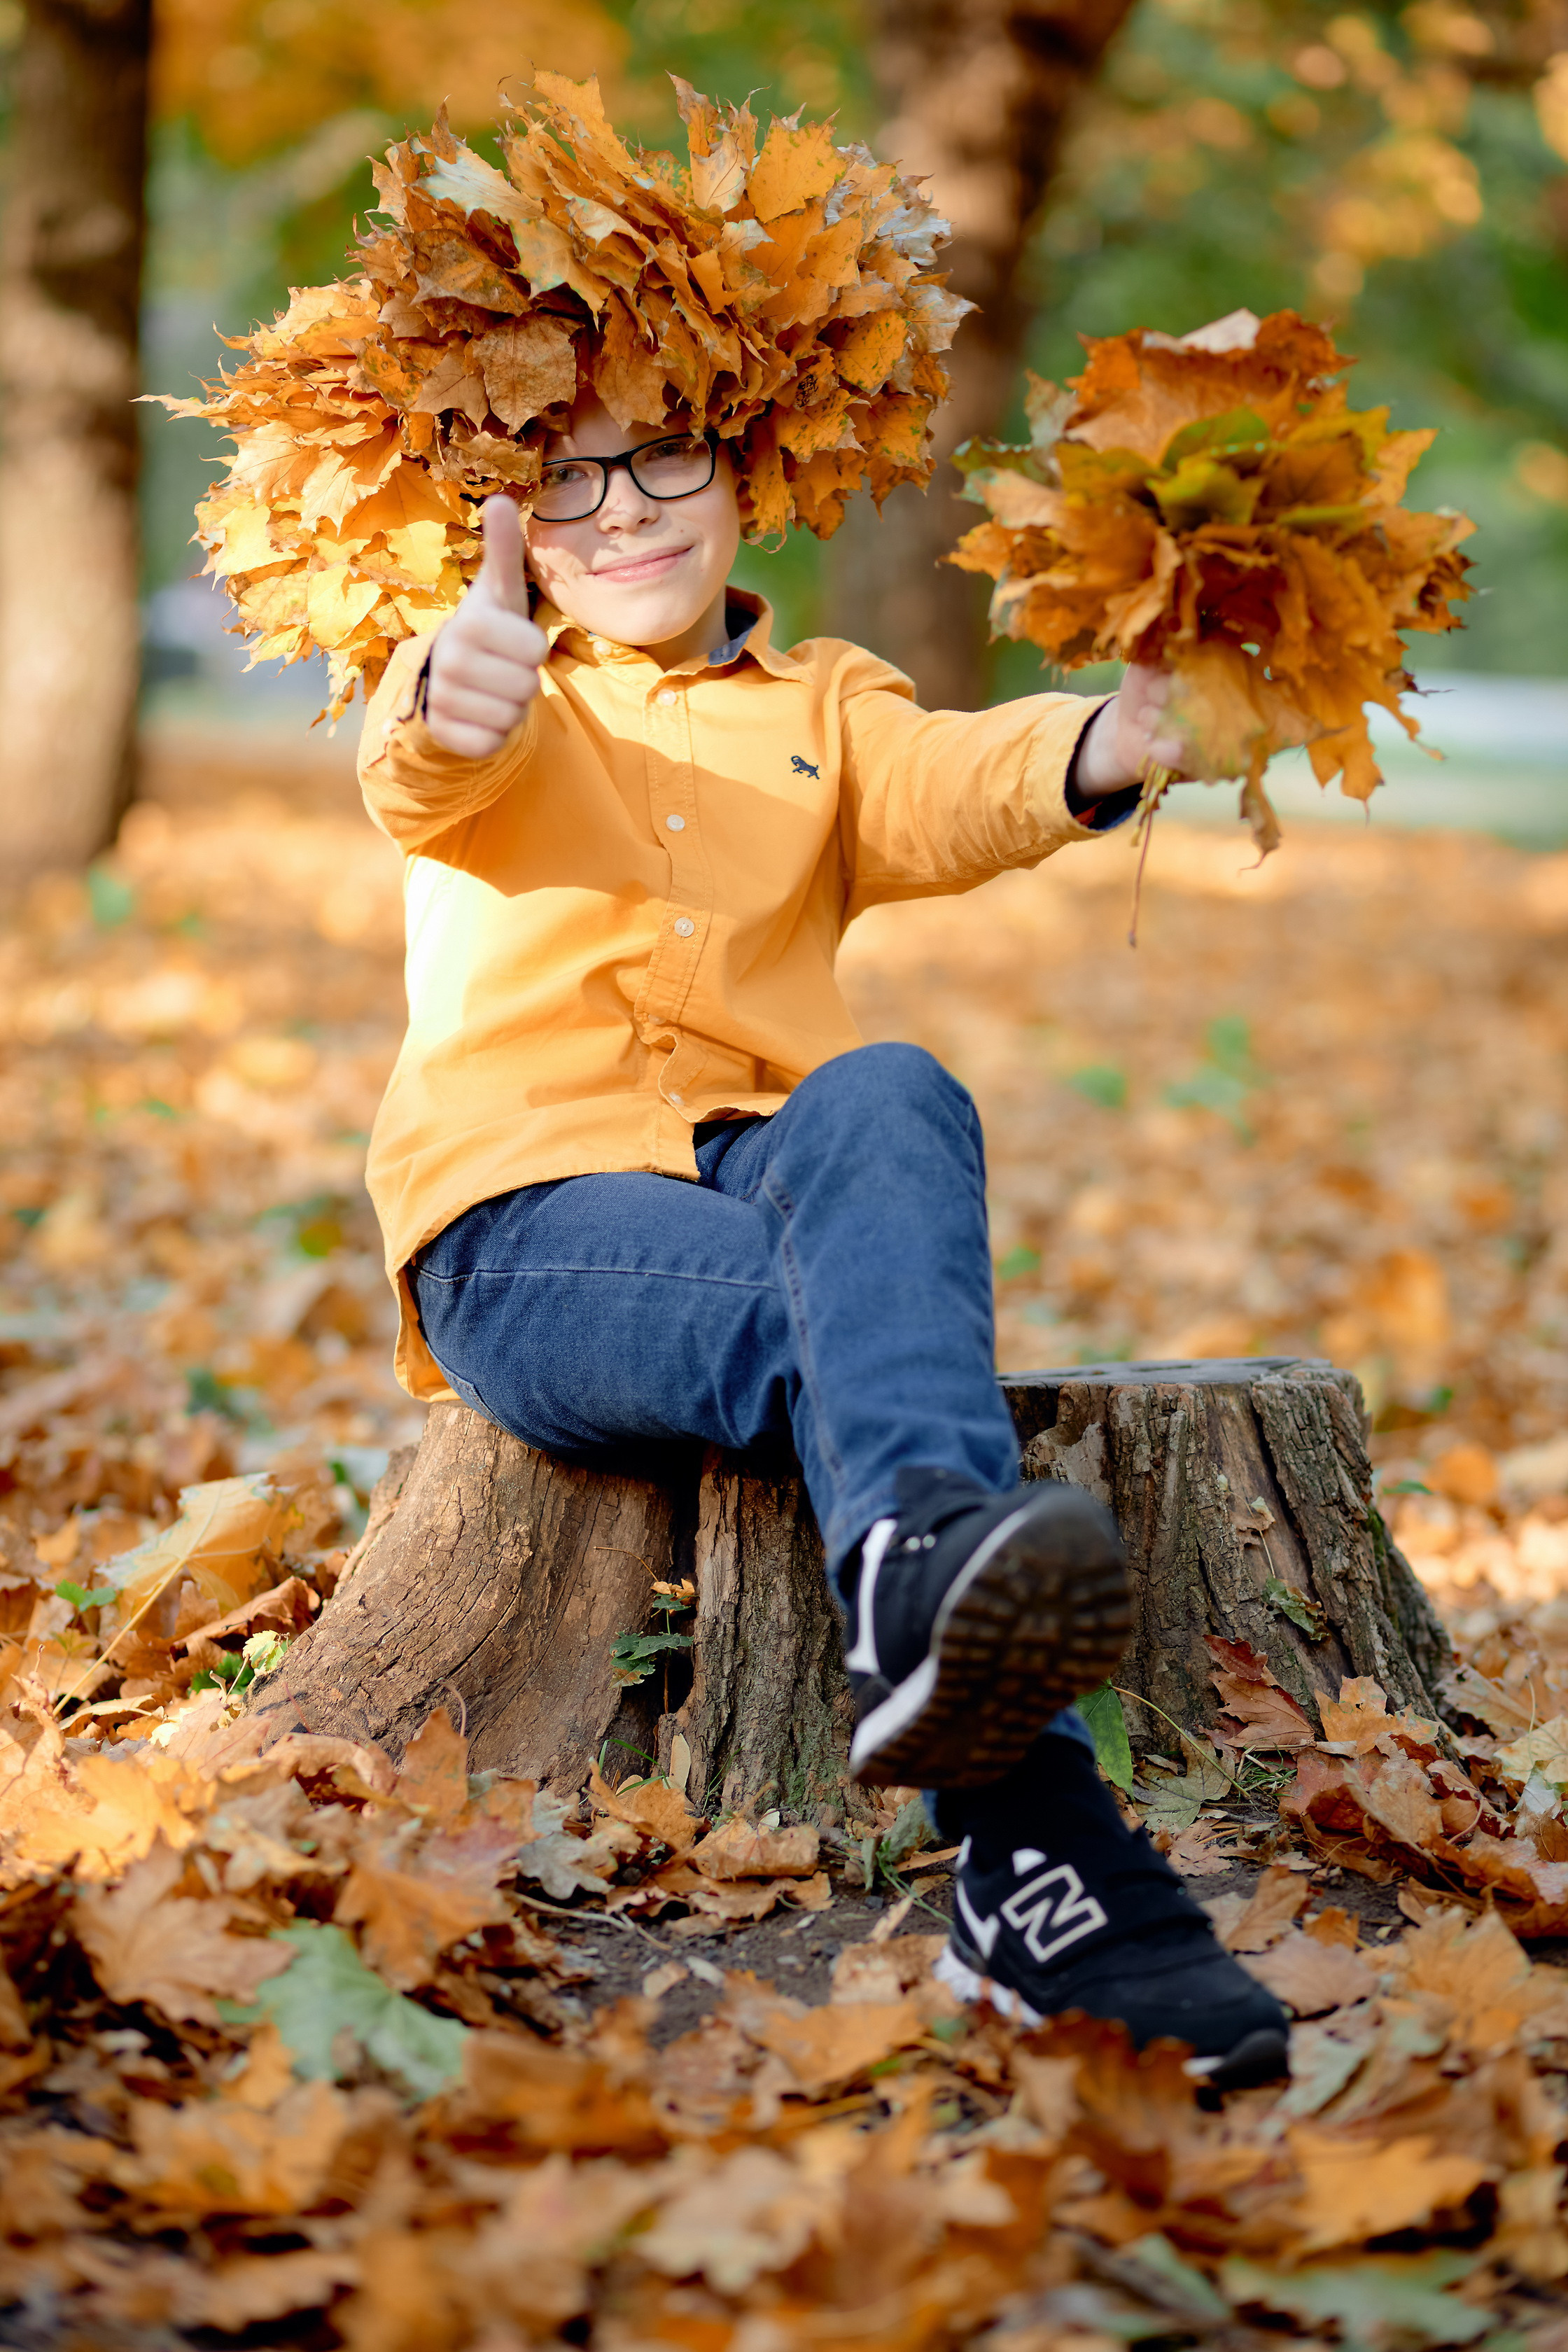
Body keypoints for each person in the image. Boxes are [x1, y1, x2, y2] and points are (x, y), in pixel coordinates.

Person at [356, 399, 1289, 2091]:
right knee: (851, 1324)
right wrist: (454, 684)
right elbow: (423, 757)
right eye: (562, 479)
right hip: (527, 1227)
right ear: (500, 510)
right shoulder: (492, 675)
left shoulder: (828, 703)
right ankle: (1058, 1861)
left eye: (663, 462)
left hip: (768, 1175)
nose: (619, 511)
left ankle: (921, 1597)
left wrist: (1117, 734)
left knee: (889, 1088)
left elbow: (953, 783)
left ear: (740, 475)